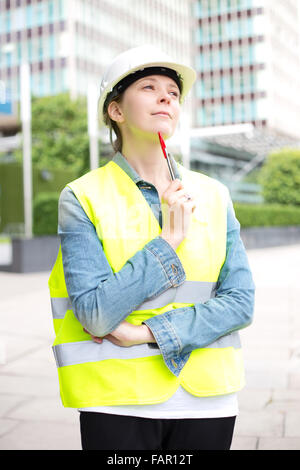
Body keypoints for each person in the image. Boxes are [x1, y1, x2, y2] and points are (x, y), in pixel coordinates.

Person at [49, 45, 255, 451]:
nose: (166, 97)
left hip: (209, 401)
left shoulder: (215, 194)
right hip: (116, 401)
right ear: (117, 111)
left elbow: (241, 303)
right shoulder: (81, 196)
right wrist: (169, 241)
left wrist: (148, 333)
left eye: (173, 93)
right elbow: (94, 312)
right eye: (149, 87)